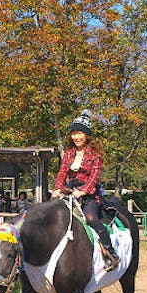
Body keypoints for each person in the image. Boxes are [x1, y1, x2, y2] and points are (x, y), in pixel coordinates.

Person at [51, 109, 119, 271]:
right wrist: (57, 189)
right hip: (69, 190)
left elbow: (94, 177)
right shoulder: (68, 154)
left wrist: (83, 191)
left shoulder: (95, 155)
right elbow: (62, 172)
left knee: (90, 218)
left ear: (87, 135)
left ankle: (110, 253)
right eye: (73, 133)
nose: (76, 137)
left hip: (89, 194)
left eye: (79, 133)